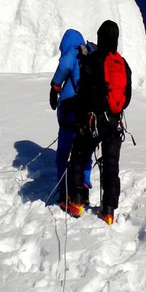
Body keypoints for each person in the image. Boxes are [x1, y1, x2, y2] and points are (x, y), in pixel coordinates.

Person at [66, 20, 132, 225]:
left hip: (94, 120)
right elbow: (127, 97)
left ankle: (76, 202)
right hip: (115, 122)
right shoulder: (123, 64)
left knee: (79, 155)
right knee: (111, 165)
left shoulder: (94, 60)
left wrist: (81, 115)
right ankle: (108, 210)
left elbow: (84, 92)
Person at [49, 29, 93, 207]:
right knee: (84, 152)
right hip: (89, 113)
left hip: (71, 112)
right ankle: (84, 189)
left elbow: (65, 64)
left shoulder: (74, 51)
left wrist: (55, 86)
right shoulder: (91, 55)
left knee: (64, 153)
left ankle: (64, 192)